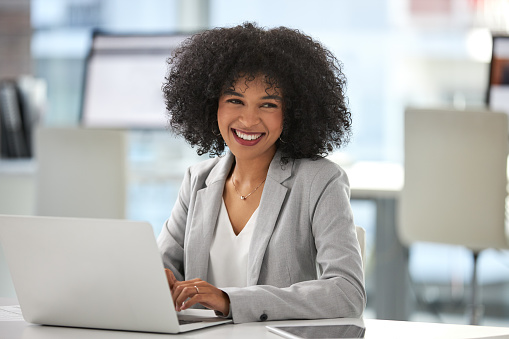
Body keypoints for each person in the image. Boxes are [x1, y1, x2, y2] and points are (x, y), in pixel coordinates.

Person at [157, 22, 366, 324]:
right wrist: (157, 281)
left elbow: (347, 292)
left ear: (293, 112)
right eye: (235, 100)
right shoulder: (197, 180)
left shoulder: (320, 182)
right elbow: (163, 271)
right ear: (211, 104)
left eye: (268, 104)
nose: (249, 119)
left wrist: (230, 300)